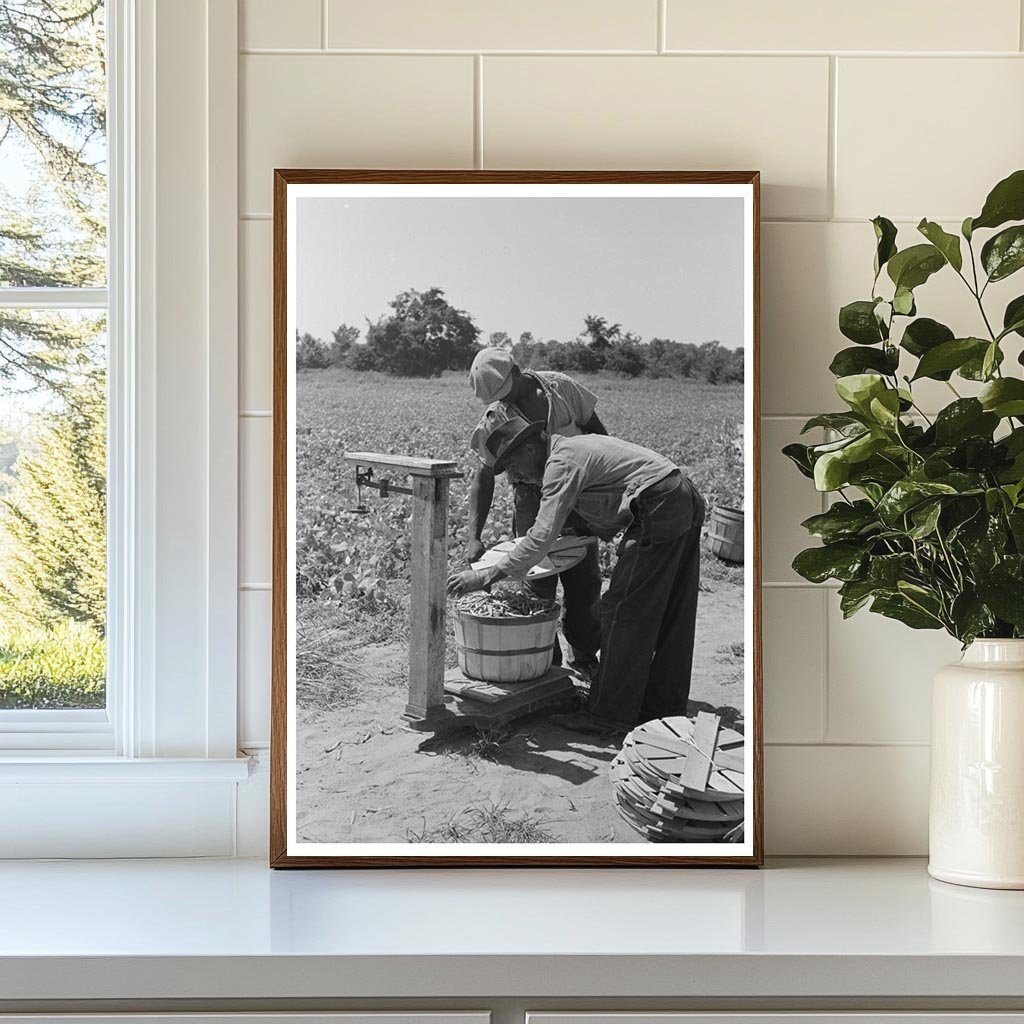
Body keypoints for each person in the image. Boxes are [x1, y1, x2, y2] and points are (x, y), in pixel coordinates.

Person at [448, 415, 705, 735]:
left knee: (620, 610)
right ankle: (664, 707)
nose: (515, 477)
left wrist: (487, 575)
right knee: (671, 609)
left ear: (530, 449)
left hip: (660, 503)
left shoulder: (561, 463)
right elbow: (604, 507)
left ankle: (608, 715)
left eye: (513, 467)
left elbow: (540, 538)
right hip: (682, 495)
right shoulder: (570, 449)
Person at [466, 348, 604, 677]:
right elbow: (483, 478)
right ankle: (546, 668)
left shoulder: (562, 389)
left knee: (584, 585)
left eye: (504, 392)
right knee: (537, 585)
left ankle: (585, 661)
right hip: (531, 501)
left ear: (515, 371)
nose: (502, 402)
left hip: (579, 495)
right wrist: (473, 536)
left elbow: (599, 437)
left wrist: (603, 498)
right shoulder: (494, 418)